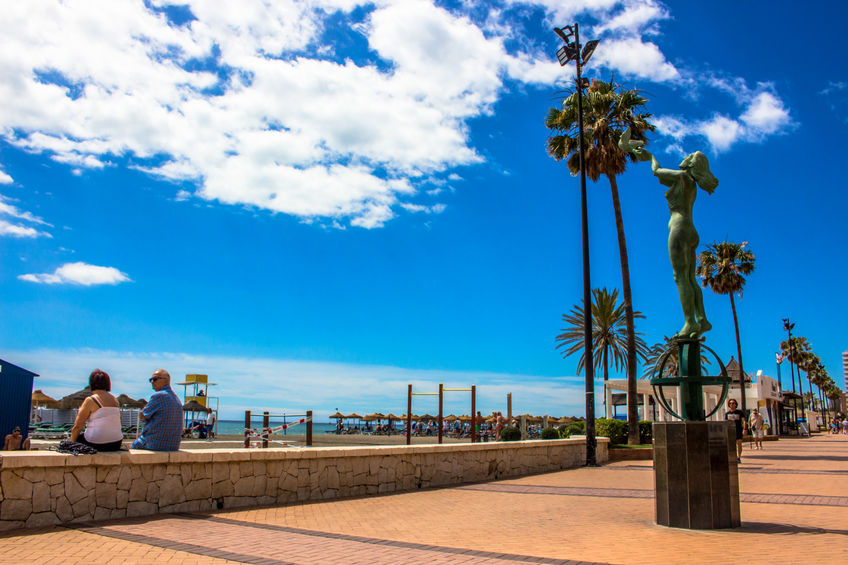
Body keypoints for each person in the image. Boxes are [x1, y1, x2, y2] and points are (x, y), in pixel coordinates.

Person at [621, 129, 717, 338]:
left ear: (691, 164)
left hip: (679, 229)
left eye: (688, 157)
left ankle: (690, 322)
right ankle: (702, 319)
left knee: (680, 277)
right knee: (689, 277)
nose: (684, 157)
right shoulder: (690, 184)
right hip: (691, 231)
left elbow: (657, 172)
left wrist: (649, 157)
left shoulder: (682, 177)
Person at [69, 369, 124, 451]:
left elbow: (78, 426)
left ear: (91, 383)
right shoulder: (115, 400)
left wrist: (70, 444)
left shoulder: (91, 400)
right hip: (116, 443)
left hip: (96, 443)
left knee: (76, 439)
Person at [132, 369, 183, 451]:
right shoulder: (176, 398)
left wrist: (144, 410)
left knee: (132, 446)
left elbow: (143, 416)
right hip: (173, 446)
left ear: (166, 380)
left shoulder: (158, 396)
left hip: (154, 444)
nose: (152, 382)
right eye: (150, 380)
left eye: (155, 379)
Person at [725, 399, 747, 463]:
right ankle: (732, 457)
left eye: (733, 403)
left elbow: (744, 421)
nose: (732, 404)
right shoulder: (727, 413)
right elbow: (726, 422)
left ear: (736, 404)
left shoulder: (740, 412)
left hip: (738, 430)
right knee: (731, 445)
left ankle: (738, 457)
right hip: (730, 431)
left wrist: (745, 429)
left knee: (739, 444)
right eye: (730, 403)